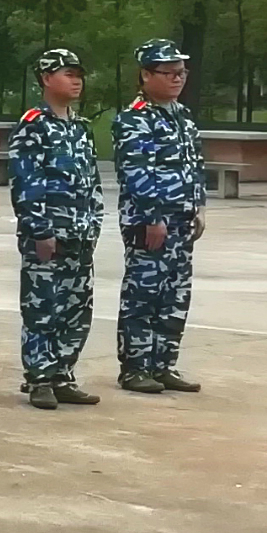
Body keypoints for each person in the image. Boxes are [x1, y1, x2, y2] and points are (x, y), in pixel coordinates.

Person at [110, 37, 208, 392]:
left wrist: (199, 206)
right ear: (146, 75)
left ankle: (164, 363)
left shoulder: (182, 116)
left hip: (181, 220)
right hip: (151, 221)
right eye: (168, 73)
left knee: (175, 295)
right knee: (143, 294)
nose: (177, 78)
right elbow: (136, 172)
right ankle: (136, 367)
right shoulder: (135, 119)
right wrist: (153, 217)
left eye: (181, 72)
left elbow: (194, 164)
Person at [8, 47, 103, 410]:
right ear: (47, 79)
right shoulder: (34, 125)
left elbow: (92, 181)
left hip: (80, 233)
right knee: (42, 307)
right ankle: (40, 378)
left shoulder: (80, 127)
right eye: (68, 74)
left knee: (76, 308)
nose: (77, 81)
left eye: (79, 75)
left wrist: (94, 222)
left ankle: (63, 373)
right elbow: (26, 182)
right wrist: (39, 229)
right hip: (49, 235)